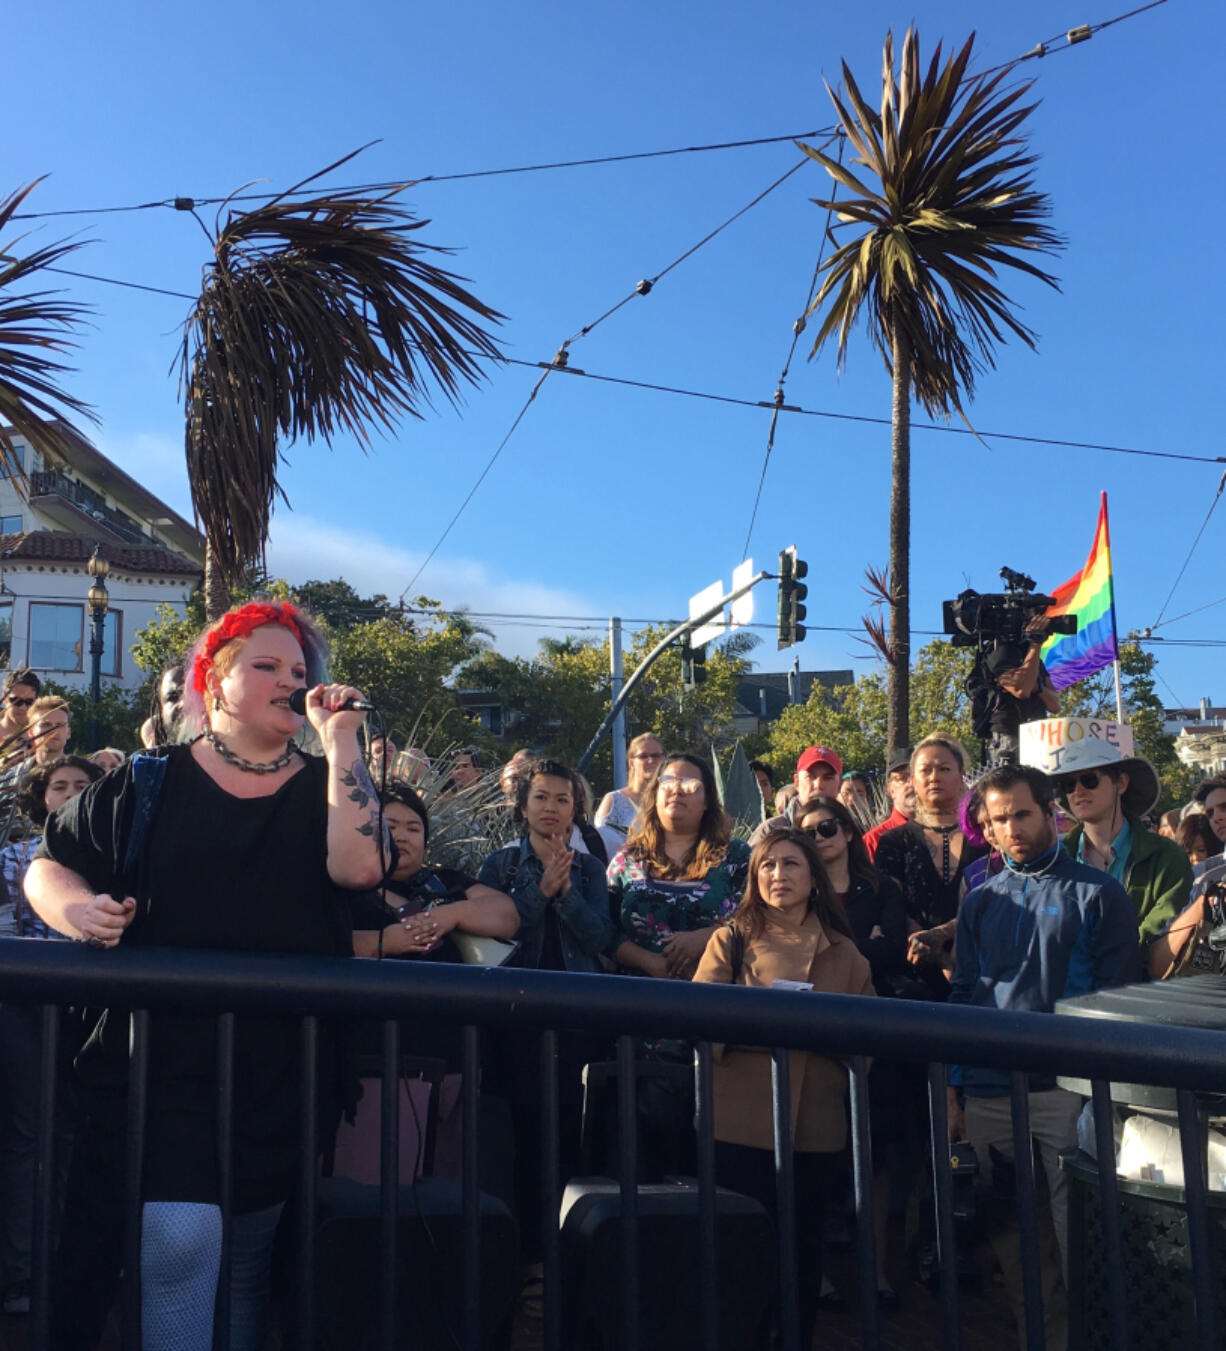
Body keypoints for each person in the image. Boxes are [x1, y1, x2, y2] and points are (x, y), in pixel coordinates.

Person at [24, 599, 387, 1351]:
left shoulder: (326, 780)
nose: (290, 679)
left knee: (248, 1253)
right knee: (181, 1236)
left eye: (298, 669)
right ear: (214, 681)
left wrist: (344, 738)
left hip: (284, 1062)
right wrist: (78, 910)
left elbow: (361, 865)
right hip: (163, 1060)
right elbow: (47, 865)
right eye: (266, 665)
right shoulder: (148, 782)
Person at [949, 763, 1138, 1350]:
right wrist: (955, 1090)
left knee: (1079, 1236)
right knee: (1013, 1242)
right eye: (999, 819)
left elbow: (1119, 997)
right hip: (987, 1092)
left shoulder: (1099, 892)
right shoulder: (978, 901)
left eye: (1022, 814)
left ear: (1050, 812)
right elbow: (964, 998)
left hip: (1068, 1092)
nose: (1012, 828)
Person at [693, 828, 873, 1346]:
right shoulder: (730, 938)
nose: (778, 875)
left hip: (814, 1132)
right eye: (767, 866)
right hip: (736, 1126)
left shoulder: (848, 955)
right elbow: (700, 1021)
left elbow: (867, 1047)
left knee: (799, 1254)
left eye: (791, 865)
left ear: (814, 877)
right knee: (737, 1254)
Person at [478, 760, 612, 1312]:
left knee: (572, 1138)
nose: (551, 807)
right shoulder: (499, 864)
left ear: (575, 809)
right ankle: (530, 1261)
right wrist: (537, 893)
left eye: (562, 798)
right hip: (518, 1021)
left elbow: (603, 934)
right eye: (541, 797)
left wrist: (567, 893)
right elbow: (491, 933)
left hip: (579, 1022)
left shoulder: (591, 870)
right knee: (524, 1141)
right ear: (524, 805)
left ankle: (570, 1261)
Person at [0, 755, 104, 1317]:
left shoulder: (113, 861)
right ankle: (21, 1276)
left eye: (81, 786)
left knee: (78, 1136)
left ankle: (68, 1271)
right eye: (58, 786)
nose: (68, 794)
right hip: (22, 1012)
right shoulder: (10, 859)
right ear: (40, 796)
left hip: (92, 1016)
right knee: (28, 1137)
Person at [608, 752, 750, 979]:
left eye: (690, 785)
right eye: (667, 782)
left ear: (707, 801)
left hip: (715, 995)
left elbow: (761, 920)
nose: (677, 790)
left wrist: (708, 937)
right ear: (654, 796)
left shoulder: (737, 857)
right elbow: (604, 930)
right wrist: (650, 962)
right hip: (636, 996)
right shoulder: (628, 859)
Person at [1048, 740, 1192, 958]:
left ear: (1121, 783)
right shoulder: (1054, 859)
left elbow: (1165, 930)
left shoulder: (1167, 858)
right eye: (1069, 784)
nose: (1077, 791)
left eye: (1089, 780)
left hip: (1142, 988)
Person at [350, 784, 518, 961]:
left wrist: (450, 915)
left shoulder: (444, 880)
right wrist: (385, 942)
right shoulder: (347, 887)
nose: (401, 837)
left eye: (413, 829)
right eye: (390, 827)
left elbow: (508, 916)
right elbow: (326, 943)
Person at [874, 736, 988, 992]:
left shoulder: (985, 837)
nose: (934, 776)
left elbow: (993, 900)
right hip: (912, 975)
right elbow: (890, 903)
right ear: (913, 780)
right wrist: (924, 943)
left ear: (962, 776)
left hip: (978, 969)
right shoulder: (894, 841)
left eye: (944, 769)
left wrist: (947, 938)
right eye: (925, 770)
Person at [966, 626, 1060, 763]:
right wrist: (1035, 644)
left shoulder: (1034, 660)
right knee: (1012, 783)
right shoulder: (999, 650)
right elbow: (1021, 690)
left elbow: (1055, 705)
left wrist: (1037, 687)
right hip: (1009, 736)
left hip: (1039, 737)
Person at [748, 745, 843, 845]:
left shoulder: (850, 829)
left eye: (828, 777)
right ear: (796, 782)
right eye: (810, 776)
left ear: (840, 784)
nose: (818, 785)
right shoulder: (771, 832)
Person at [594, 732, 663, 847]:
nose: (651, 760)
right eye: (644, 756)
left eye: (656, 756)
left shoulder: (669, 800)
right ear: (632, 763)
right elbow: (601, 844)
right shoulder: (614, 800)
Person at [862, 747, 914, 859]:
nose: (911, 784)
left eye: (916, 777)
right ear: (890, 789)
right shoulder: (873, 841)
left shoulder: (945, 834)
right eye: (902, 778)